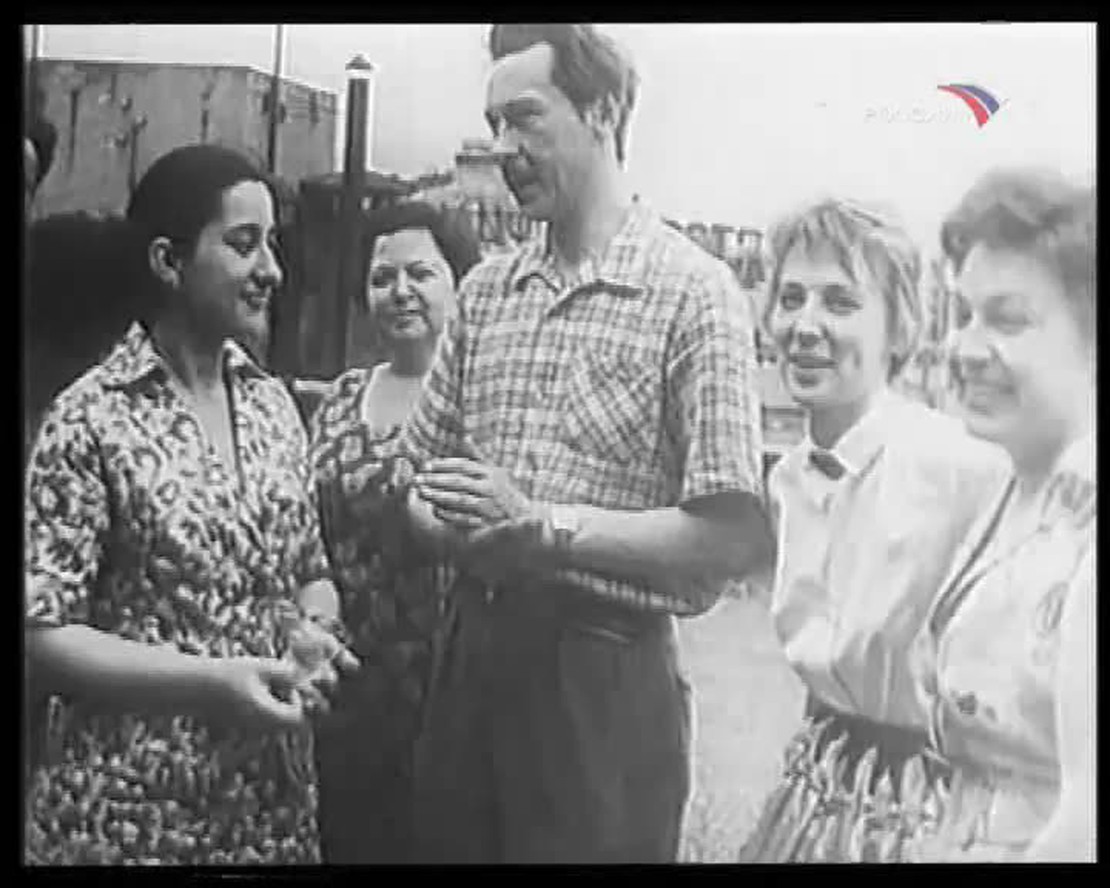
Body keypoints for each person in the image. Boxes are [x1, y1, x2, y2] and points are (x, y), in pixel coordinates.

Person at [387, 24, 773, 863]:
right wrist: (451, 527)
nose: (503, 148)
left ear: (601, 111)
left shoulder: (694, 293)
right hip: (469, 661)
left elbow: (729, 536)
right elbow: (415, 481)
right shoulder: (486, 292)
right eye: (493, 124)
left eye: (525, 117)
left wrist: (547, 530)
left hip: (604, 683)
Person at [24, 144, 356, 866]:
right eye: (243, 244)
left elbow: (311, 568)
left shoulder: (272, 406)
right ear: (168, 262)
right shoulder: (90, 420)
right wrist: (213, 685)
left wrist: (314, 632)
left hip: (267, 808)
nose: (272, 270)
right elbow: (42, 634)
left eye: (272, 244)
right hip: (132, 812)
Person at [735, 198, 1007, 863]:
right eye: (790, 298)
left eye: (839, 302)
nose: (805, 326)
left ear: (899, 328)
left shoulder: (961, 467)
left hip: (926, 808)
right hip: (822, 787)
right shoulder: (789, 479)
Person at [906, 169, 1095, 862]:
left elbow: (1086, 825)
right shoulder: (1009, 492)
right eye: (964, 315)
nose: (964, 348)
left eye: (1007, 320)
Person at [307, 201, 481, 863]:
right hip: (342, 682)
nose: (400, 291)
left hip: (446, 691)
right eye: (382, 278)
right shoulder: (341, 398)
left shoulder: (481, 403)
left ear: (460, 285)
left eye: (420, 274)